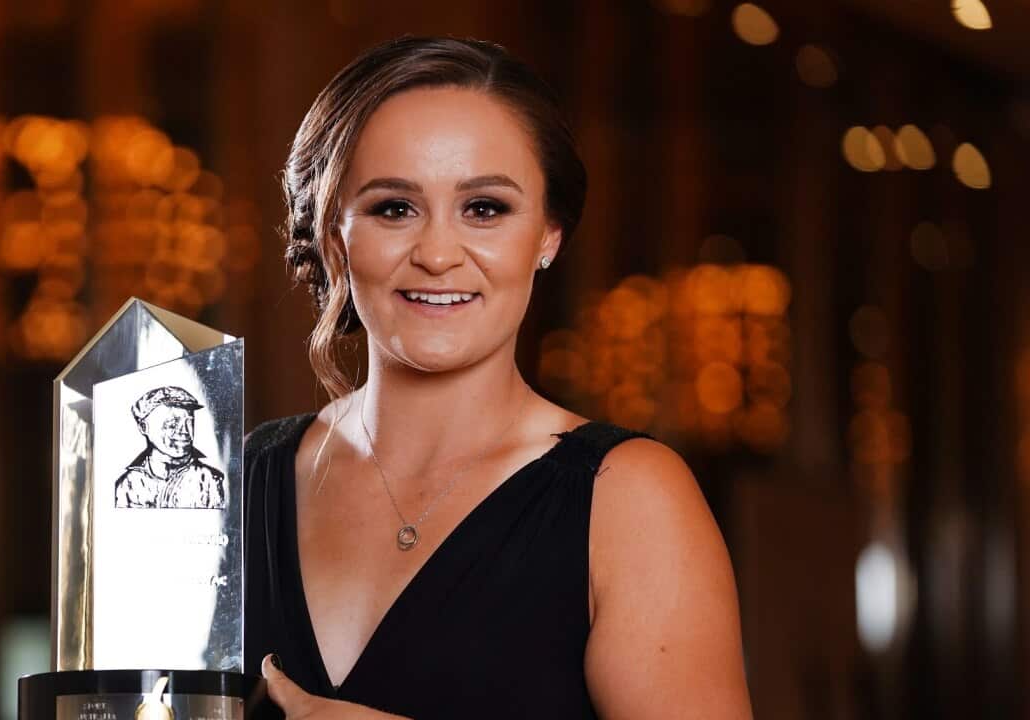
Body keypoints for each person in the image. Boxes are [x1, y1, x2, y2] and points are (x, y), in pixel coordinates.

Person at [244, 36, 753, 719]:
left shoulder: (630, 501)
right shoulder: (232, 484)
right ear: (335, 238)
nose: (437, 254)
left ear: (548, 235)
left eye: (484, 209)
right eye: (394, 207)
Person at [116, 385, 227, 509]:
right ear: (144, 427)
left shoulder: (210, 480)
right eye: (172, 424)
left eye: (189, 422)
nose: (184, 430)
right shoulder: (128, 484)